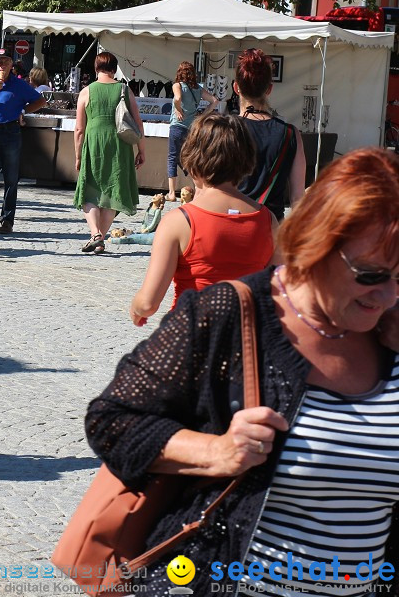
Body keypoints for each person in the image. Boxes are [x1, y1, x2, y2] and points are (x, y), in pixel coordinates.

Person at [85, 147, 399, 596]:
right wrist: (215, 452)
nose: (388, 295)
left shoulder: (388, 332)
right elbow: (110, 421)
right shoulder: (228, 313)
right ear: (317, 242)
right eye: (371, 275)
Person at [129, 113, 276, 325]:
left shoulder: (178, 221)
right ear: (246, 157)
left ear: (193, 157)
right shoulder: (268, 220)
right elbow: (278, 293)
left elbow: (148, 304)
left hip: (191, 337)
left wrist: (136, 308)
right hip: (246, 341)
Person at [73, 52, 145, 254]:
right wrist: (141, 150)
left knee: (90, 189)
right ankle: (100, 239)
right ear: (114, 69)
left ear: (96, 68)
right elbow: (138, 124)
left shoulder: (87, 92)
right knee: (112, 191)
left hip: (94, 143)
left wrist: (78, 155)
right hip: (119, 144)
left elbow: (79, 129)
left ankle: (95, 234)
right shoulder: (124, 89)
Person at [0, 49, 46, 234]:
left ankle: (7, 221)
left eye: (6, 61)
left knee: (11, 178)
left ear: (12, 65)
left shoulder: (19, 84)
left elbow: (40, 101)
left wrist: (23, 111)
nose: (2, 65)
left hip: (11, 132)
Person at [235, 47, 306, 221]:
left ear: (236, 87)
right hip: (269, 228)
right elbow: (297, 198)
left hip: (229, 226)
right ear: (269, 89)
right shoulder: (290, 134)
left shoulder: (225, 130)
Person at [167, 61, 218, 200]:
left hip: (177, 126)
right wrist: (203, 114)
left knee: (172, 157)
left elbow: (177, 98)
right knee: (190, 159)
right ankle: (198, 189)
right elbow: (214, 100)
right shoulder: (198, 89)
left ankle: (171, 193)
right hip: (191, 128)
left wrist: (178, 109)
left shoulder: (177, 85)